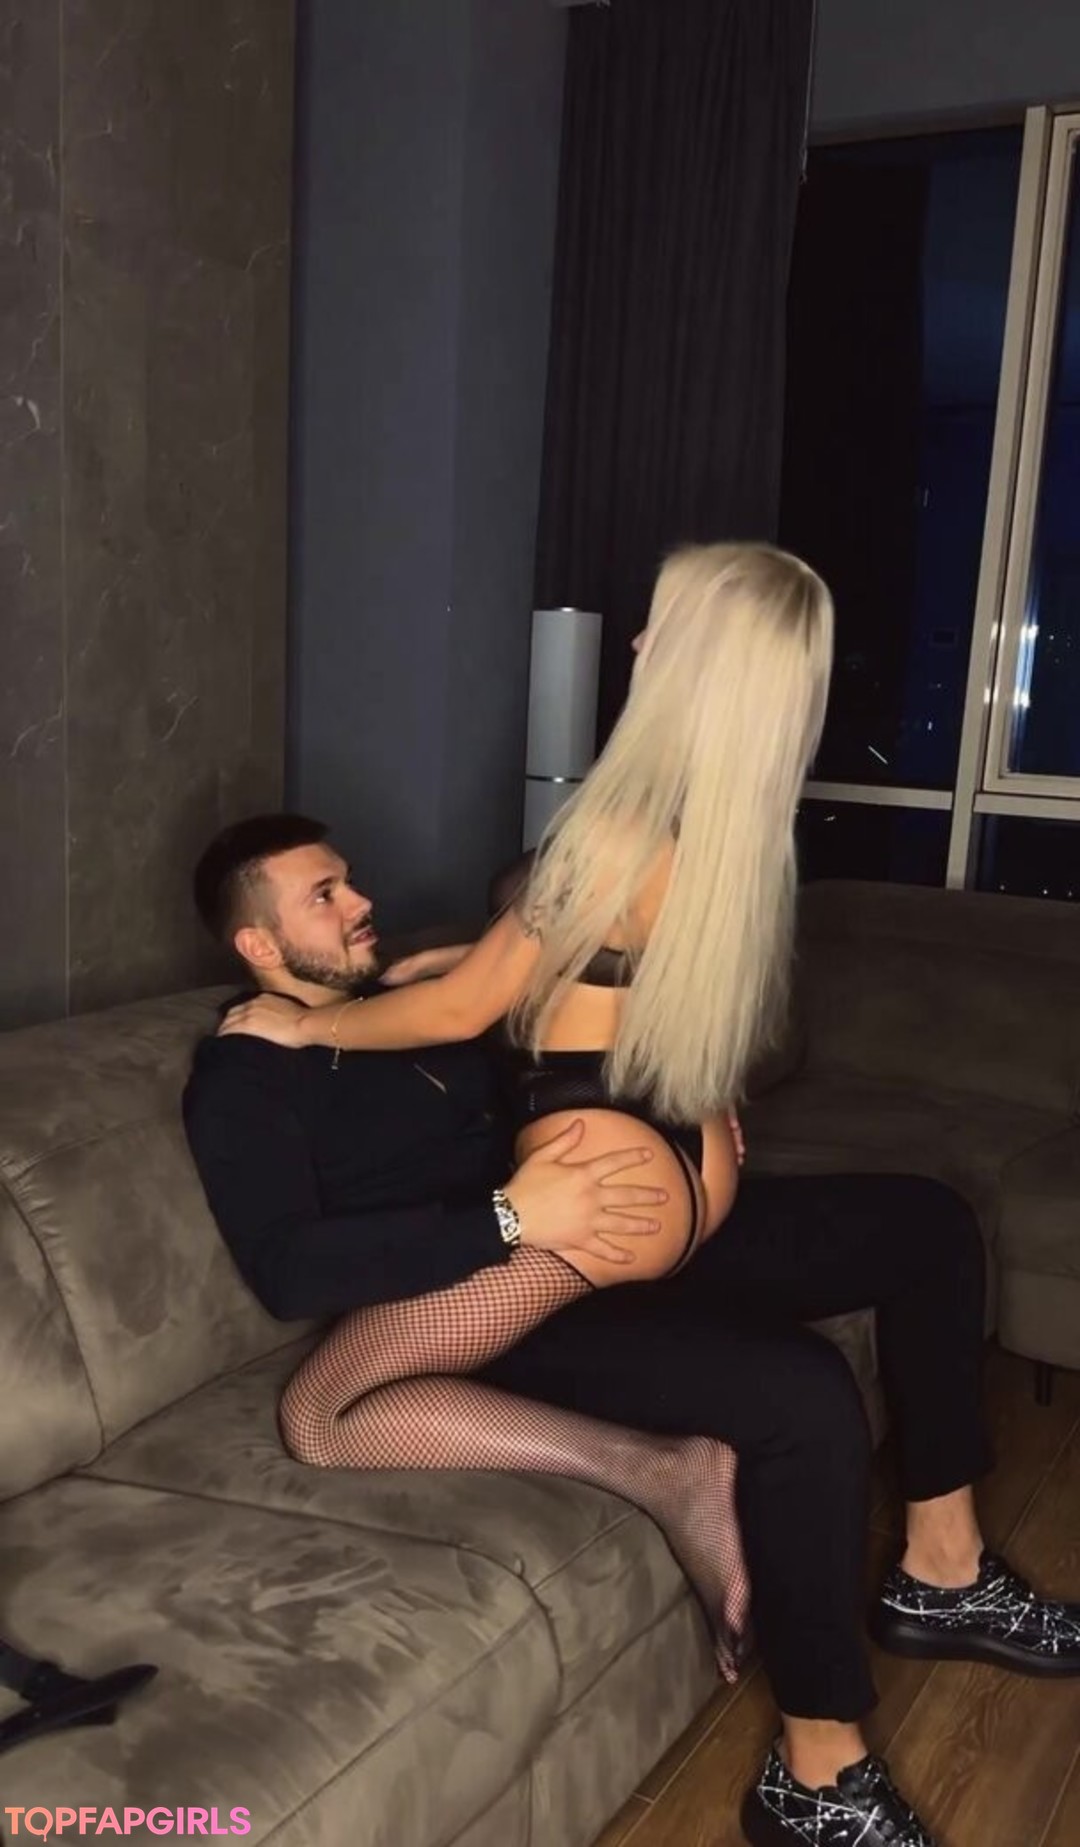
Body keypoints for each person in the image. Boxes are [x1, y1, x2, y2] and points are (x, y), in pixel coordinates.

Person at [190, 548, 1080, 1847]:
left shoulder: (456, 955)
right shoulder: (250, 1068)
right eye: (327, 897)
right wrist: (499, 1206)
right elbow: (293, 1268)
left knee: (931, 1225)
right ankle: (817, 1767)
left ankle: (942, 1573)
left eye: (659, 629)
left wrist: (427, 987)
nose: (364, 898)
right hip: (513, 1272)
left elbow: (509, 997)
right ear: (256, 947)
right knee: (798, 1397)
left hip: (603, 1234)